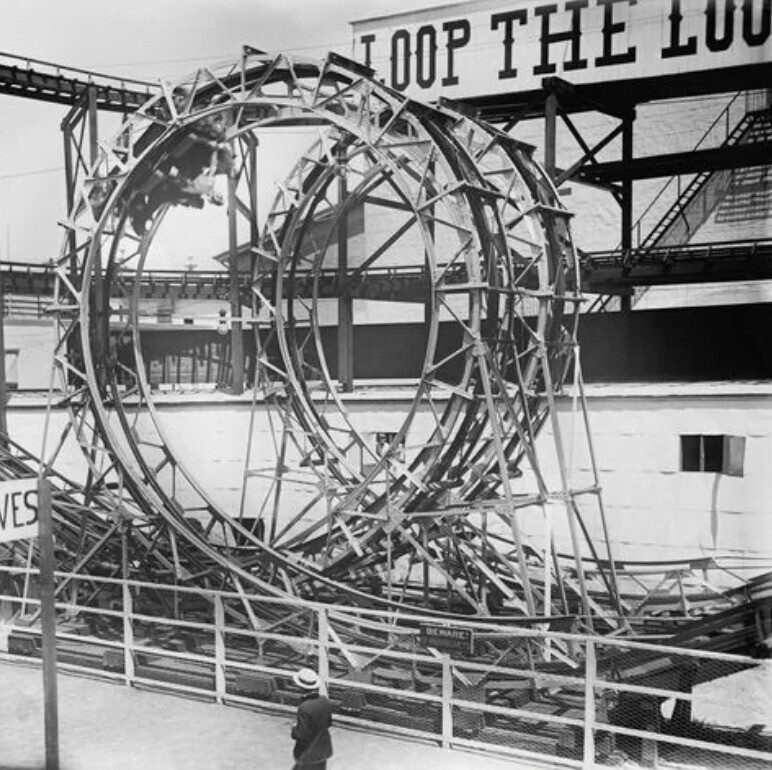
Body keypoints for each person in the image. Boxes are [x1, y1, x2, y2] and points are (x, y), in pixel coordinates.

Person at [290, 668, 333, 769]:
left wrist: (294, 728)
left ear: (300, 687)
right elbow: (328, 723)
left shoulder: (304, 707)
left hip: (308, 754)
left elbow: (302, 736)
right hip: (324, 749)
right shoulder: (325, 701)